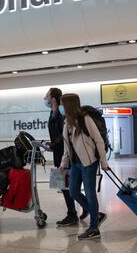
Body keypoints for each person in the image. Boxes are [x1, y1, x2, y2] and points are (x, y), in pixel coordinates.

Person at [59, 93, 109, 240]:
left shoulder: (85, 119)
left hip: (89, 163)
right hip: (75, 164)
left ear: (68, 105)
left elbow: (99, 140)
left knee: (90, 194)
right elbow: (67, 147)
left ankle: (94, 228)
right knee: (73, 192)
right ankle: (96, 214)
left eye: (62, 104)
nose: (61, 107)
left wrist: (104, 163)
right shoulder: (67, 123)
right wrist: (63, 163)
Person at [44, 88, 81, 227]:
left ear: (53, 99)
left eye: (47, 96)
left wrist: (52, 145)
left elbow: (63, 136)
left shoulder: (61, 115)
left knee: (66, 186)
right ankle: (76, 211)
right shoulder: (52, 114)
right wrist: (51, 144)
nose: (45, 99)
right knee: (64, 186)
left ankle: (72, 214)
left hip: (65, 156)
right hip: (58, 155)